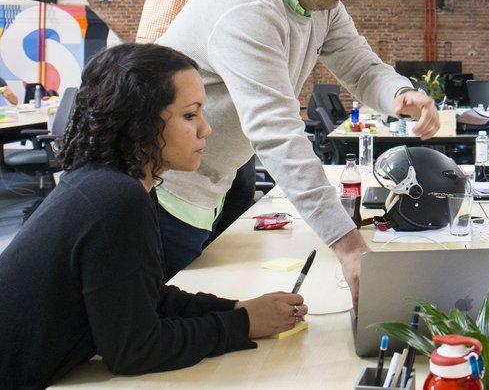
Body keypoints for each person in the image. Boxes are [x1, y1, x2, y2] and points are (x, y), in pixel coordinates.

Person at [156, 0, 439, 303]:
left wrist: (400, 93)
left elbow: (360, 66)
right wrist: (346, 243)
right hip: (165, 194)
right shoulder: (249, 9)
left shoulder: (320, 2)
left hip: (208, 187)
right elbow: (276, 132)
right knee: (154, 331)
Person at [0, 43, 305, 388]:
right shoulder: (118, 198)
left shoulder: (109, 181)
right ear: (141, 122)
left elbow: (144, 298)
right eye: (190, 115)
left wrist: (237, 308)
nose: (206, 129)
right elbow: (135, 350)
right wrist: (244, 324)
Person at [136, 0, 262, 239]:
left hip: (233, 133)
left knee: (233, 227)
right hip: (186, 135)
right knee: (189, 239)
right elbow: (146, 56)